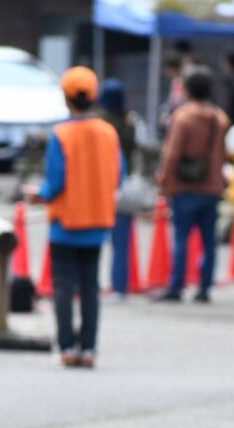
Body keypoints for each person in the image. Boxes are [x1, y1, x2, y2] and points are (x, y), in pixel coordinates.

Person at [24, 67, 123, 369]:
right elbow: (119, 175)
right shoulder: (108, 133)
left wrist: (37, 194)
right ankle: (89, 348)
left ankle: (67, 346)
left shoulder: (61, 134)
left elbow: (55, 183)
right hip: (98, 220)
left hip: (65, 223)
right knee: (91, 286)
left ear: (66, 97)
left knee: (64, 286)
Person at [155, 66, 230, 304]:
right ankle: (204, 288)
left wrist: (164, 180)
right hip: (212, 186)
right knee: (209, 241)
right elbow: (223, 154)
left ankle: (177, 285)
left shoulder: (183, 117)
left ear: (187, 89)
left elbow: (172, 154)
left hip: (185, 187)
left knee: (181, 238)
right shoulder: (220, 118)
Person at [99, 78, 138, 299]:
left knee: (92, 239)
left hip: (100, 185)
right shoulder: (130, 123)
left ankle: (90, 284)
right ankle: (119, 287)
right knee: (121, 241)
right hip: (122, 186)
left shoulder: (100, 123)